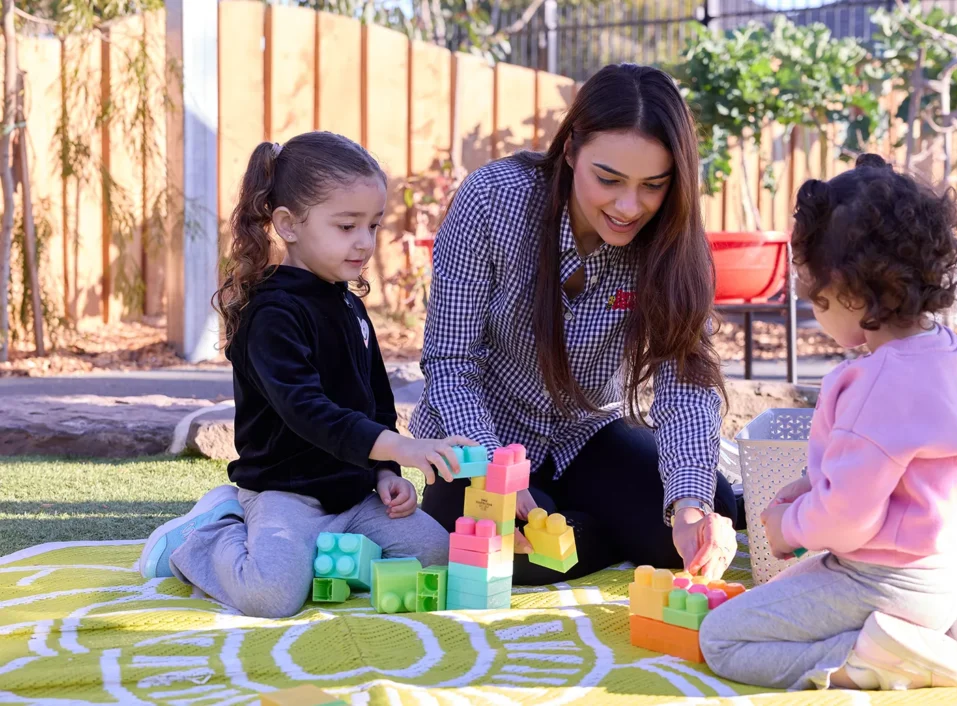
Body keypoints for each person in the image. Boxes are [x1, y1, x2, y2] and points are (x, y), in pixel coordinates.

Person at [411, 63, 739, 585]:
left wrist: (690, 506)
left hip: (586, 431)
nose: (629, 207)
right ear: (569, 151)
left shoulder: (673, 241)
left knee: (702, 512)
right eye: (608, 179)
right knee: (486, 547)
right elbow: (450, 363)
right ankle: (596, 533)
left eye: (653, 186)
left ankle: (583, 530)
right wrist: (497, 470)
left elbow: (686, 384)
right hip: (485, 437)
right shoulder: (493, 201)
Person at [699, 153, 957, 690]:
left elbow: (847, 520)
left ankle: (868, 659)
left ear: (849, 290)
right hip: (944, 571)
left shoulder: (877, 384)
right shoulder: (952, 355)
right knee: (786, 597)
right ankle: (946, 627)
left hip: (879, 581)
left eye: (817, 299)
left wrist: (787, 528)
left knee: (722, 637)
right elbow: (902, 478)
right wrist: (809, 489)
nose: (816, 315)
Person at [138, 132, 474, 618]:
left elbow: (376, 398)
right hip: (286, 493)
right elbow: (308, 412)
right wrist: (404, 447)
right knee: (270, 598)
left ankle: (322, 555)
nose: (365, 242)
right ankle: (207, 536)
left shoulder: (349, 304)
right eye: (346, 226)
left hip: (354, 495)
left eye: (373, 225)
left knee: (436, 554)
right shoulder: (273, 313)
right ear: (288, 225)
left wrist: (384, 471)